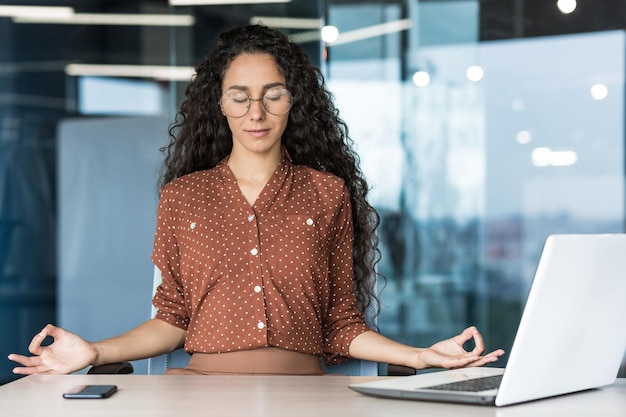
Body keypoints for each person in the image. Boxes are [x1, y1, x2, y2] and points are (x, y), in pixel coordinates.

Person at [8, 24, 503, 376]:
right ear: (219, 104)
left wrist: (420, 356)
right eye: (239, 96)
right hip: (201, 394)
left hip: (308, 396)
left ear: (294, 100)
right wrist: (93, 351)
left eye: (273, 94)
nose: (256, 112)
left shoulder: (326, 192)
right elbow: (172, 318)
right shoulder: (182, 197)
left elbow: (341, 325)